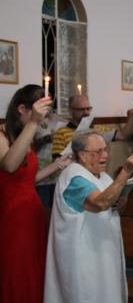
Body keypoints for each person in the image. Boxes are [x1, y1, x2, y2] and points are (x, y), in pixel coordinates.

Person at [44, 130, 133, 303]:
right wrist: (125, 171)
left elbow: (111, 205)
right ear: (82, 155)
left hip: (103, 252)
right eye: (98, 152)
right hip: (83, 257)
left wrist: (121, 201)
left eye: (105, 149)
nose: (104, 155)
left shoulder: (102, 176)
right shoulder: (74, 178)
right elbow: (99, 204)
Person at [0, 85, 71, 303]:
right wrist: (33, 123)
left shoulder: (25, 135)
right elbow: (10, 166)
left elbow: (26, 180)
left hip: (32, 210)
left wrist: (58, 165)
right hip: (12, 215)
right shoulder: (2, 134)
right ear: (22, 108)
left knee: (34, 266)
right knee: (17, 268)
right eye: (38, 113)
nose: (42, 120)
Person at [52, 95, 133, 157]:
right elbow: (57, 162)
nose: (86, 112)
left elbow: (123, 135)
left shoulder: (97, 129)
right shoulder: (61, 132)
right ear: (71, 110)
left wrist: (131, 117)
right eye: (81, 109)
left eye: (88, 109)